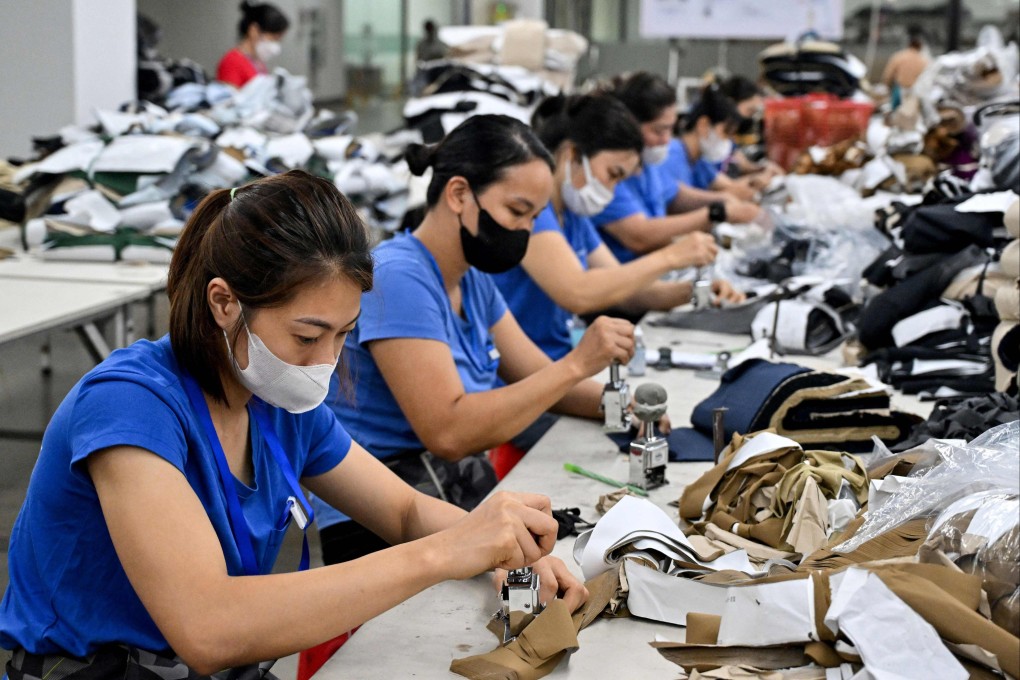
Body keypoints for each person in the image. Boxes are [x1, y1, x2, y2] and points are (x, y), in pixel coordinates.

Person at [0, 170, 585, 677]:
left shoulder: (277, 401)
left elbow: (404, 510)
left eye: (343, 335)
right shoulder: (130, 407)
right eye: (307, 336)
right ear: (225, 303)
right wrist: (446, 552)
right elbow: (208, 629)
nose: (326, 362)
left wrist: (505, 548)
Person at [311, 115, 636, 565]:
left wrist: (626, 409)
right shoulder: (398, 277)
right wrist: (579, 364)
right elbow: (448, 430)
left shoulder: (473, 280)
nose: (524, 232)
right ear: (460, 194)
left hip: (442, 491)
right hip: (376, 518)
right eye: (517, 212)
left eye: (534, 219)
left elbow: (539, 375)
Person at [492, 93, 745, 364]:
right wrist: (672, 257)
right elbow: (578, 292)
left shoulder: (573, 216)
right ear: (572, 154)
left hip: (554, 363)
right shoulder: (533, 215)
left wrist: (696, 291)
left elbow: (628, 291)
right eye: (612, 174)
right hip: (525, 374)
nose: (611, 191)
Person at [592, 72, 761, 264]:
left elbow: (675, 194)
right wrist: (716, 213)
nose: (666, 140)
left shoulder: (647, 164)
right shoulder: (609, 171)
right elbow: (639, 235)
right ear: (629, 124)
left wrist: (723, 201)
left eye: (670, 129)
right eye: (658, 130)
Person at [216, 1, 289, 88]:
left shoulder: (258, 64)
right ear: (254, 30)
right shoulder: (232, 62)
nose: (275, 45)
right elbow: (229, 99)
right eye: (273, 38)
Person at [881, 25, 930, 109]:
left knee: (896, 114)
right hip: (916, 93)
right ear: (920, 47)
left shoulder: (898, 57)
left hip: (900, 91)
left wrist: (887, 88)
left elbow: (887, 76)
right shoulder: (924, 61)